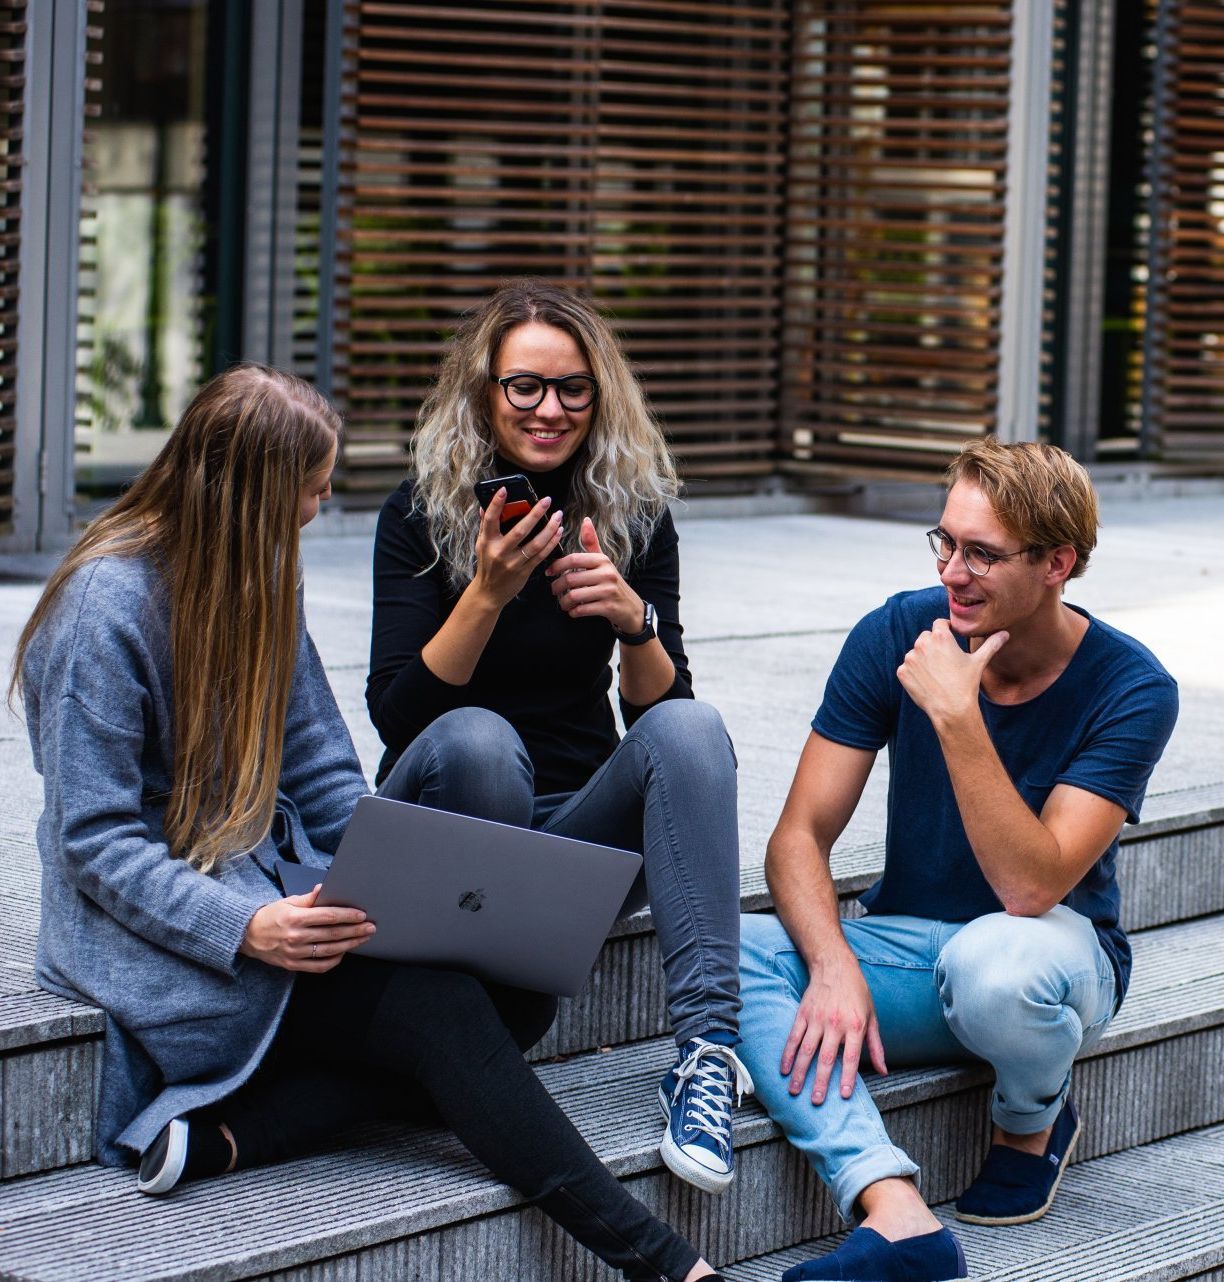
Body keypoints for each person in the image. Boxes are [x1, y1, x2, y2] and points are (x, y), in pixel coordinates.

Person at [15, 364, 729, 1282]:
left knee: (517, 1000)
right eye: (309, 493)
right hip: (165, 935)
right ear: (251, 492)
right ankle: (664, 1262)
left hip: (277, 896)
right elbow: (95, 840)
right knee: (443, 1012)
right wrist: (247, 926)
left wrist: (377, 879)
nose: (316, 512)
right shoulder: (102, 609)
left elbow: (320, 768)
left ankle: (240, 1131)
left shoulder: (260, 573)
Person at [736, 440, 1179, 1282]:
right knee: (728, 947)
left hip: (1048, 957)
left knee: (996, 963)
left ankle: (1031, 1116)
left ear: (1058, 563)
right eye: (944, 542)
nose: (953, 572)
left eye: (981, 553)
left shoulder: (1133, 687)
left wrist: (958, 717)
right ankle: (892, 1208)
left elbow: (1032, 885)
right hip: (907, 948)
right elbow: (798, 836)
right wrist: (831, 964)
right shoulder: (897, 631)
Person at [366, 279, 751, 1196]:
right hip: (451, 823)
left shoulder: (633, 514)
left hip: (572, 842)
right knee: (479, 741)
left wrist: (634, 622)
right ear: (483, 391)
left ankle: (706, 1057)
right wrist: (487, 593)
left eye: (573, 388)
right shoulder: (418, 515)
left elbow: (664, 721)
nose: (549, 409)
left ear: (600, 394)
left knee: (693, 729)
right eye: (524, 386)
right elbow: (399, 717)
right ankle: (469, 1018)